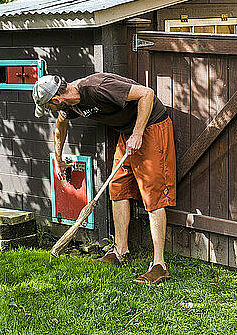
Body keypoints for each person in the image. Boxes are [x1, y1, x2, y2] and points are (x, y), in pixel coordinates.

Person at [32, 72, 176, 285]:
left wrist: (137, 134)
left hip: (151, 127)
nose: (51, 111)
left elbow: (147, 94)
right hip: (128, 133)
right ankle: (120, 251)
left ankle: (159, 265)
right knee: (117, 188)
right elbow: (60, 127)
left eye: (49, 107)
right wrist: (59, 158)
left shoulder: (98, 87)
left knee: (152, 194)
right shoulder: (69, 106)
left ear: (55, 100)